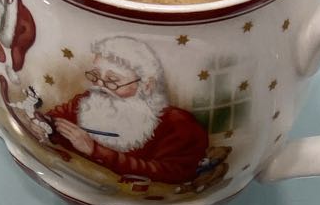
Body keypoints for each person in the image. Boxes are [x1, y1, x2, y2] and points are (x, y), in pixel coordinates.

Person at [45, 36, 210, 187]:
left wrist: (96, 150)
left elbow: (171, 174)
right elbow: (53, 120)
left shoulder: (178, 125)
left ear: (147, 85)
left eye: (112, 80)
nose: (100, 86)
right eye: (96, 75)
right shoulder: (86, 101)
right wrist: (43, 125)